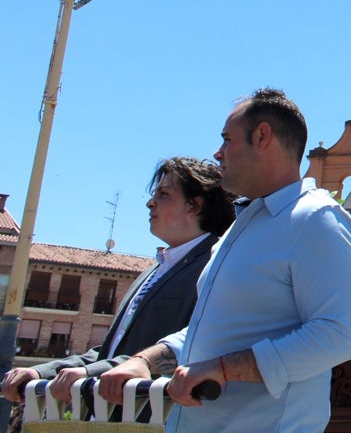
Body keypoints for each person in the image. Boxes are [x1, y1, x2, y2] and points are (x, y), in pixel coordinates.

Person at [97, 88, 351, 433]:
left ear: (262, 136)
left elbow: (337, 335)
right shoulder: (241, 228)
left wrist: (223, 369)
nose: (218, 152)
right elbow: (208, 335)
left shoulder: (317, 219)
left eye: (227, 140)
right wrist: (144, 361)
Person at [0, 157, 234, 405]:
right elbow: (112, 351)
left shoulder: (216, 266)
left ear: (194, 206)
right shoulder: (151, 272)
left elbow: (191, 347)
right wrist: (43, 372)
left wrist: (91, 373)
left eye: (163, 194)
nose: (150, 203)